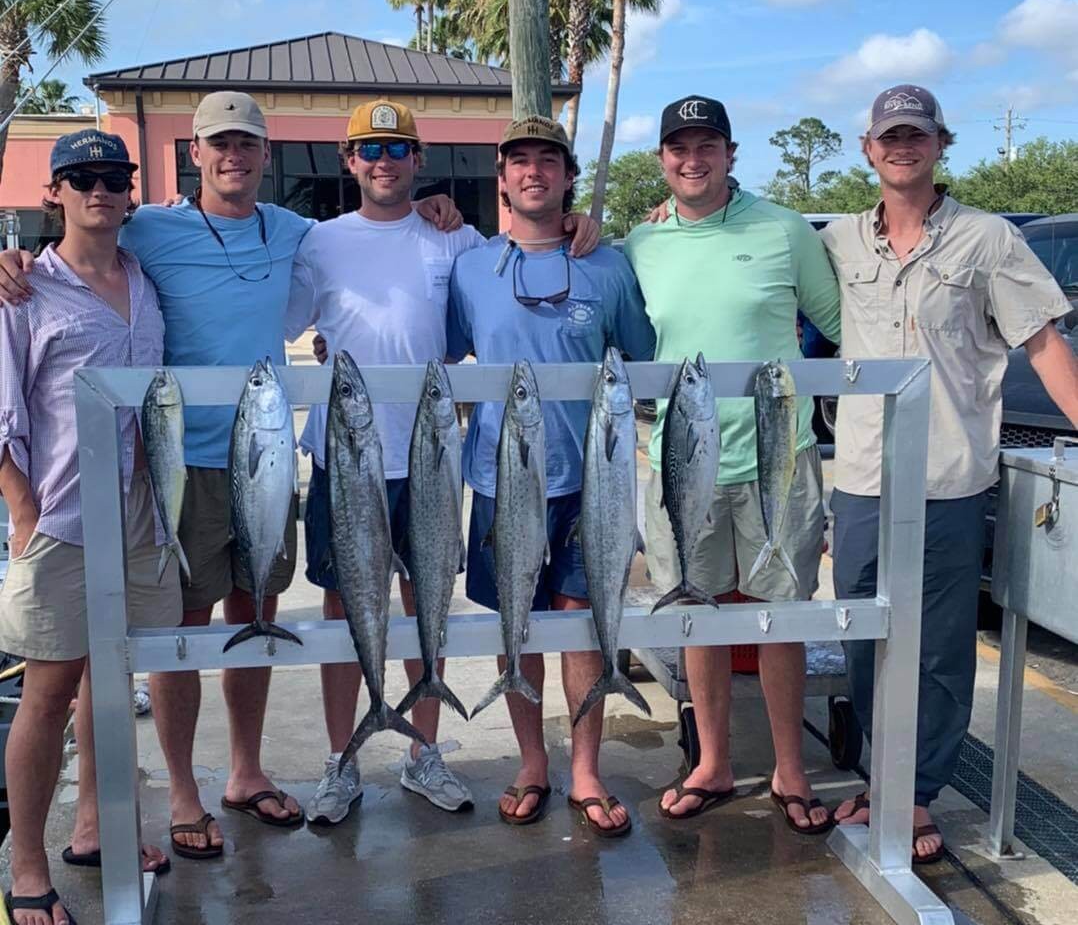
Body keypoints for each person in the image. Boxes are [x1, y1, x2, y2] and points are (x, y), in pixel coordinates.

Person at [0, 91, 461, 858]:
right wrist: (11, 260)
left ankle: (245, 771)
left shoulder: (295, 232)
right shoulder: (148, 226)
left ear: (266, 156)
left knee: (258, 617)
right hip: (173, 468)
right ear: (195, 153)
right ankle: (183, 793)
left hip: (269, 458)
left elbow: (378, 233)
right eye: (218, 143)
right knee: (174, 638)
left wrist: (438, 207)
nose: (232, 156)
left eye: (246, 143)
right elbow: (74, 248)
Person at [290, 99, 602, 826]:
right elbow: (290, 321)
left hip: (429, 461)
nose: (384, 163)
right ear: (349, 160)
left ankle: (422, 750)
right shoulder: (318, 240)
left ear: (418, 160)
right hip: (343, 461)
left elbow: (496, 298)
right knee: (345, 613)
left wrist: (582, 226)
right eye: (370, 150)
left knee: (423, 606)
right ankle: (342, 759)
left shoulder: (457, 241)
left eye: (398, 150)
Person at [822, 85, 1078, 861]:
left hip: (950, 479)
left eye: (918, 135)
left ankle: (919, 791)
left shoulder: (989, 239)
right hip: (864, 475)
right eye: (890, 135)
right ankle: (879, 775)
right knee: (864, 633)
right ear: (868, 149)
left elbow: (1041, 343)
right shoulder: (836, 241)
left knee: (938, 646)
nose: (903, 146)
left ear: (940, 145)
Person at [626, 95, 841, 832]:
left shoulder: (785, 231)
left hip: (779, 459)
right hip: (680, 463)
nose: (693, 160)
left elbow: (843, 328)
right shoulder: (639, 244)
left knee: (781, 616)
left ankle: (790, 767)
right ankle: (711, 760)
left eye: (707, 145)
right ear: (662, 159)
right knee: (697, 611)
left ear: (730, 152)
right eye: (679, 148)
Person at [447, 115, 656, 836]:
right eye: (519, 162)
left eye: (547, 161)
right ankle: (532, 760)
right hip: (500, 479)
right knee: (518, 623)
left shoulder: (609, 262)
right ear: (501, 177)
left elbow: (641, 357)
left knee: (584, 624)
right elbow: (442, 352)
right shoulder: (471, 266)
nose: (533, 172)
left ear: (568, 176)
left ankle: (587, 769)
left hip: (590, 480)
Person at [0, 131, 180, 925]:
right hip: (64, 519)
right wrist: (23, 509)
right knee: (46, 688)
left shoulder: (146, 278)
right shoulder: (24, 290)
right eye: (81, 177)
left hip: (142, 515)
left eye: (112, 176)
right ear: (56, 192)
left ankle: (97, 826)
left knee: (112, 676)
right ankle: (26, 866)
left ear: (130, 190)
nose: (99, 190)